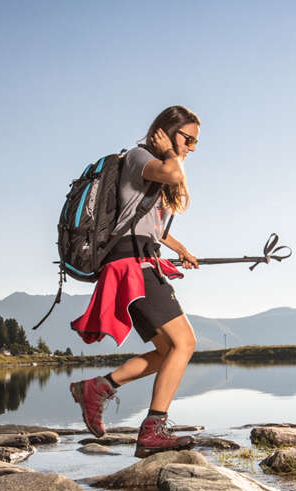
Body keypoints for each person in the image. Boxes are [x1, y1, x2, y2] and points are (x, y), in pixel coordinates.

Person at [70, 105, 201, 457]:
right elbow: (174, 174)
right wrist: (172, 152)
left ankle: (97, 388)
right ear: (166, 131)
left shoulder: (151, 168)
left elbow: (151, 228)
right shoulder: (139, 157)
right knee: (185, 343)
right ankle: (153, 429)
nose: (190, 147)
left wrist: (181, 249)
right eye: (188, 139)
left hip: (139, 261)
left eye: (194, 143)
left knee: (167, 352)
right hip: (133, 267)